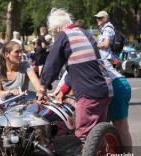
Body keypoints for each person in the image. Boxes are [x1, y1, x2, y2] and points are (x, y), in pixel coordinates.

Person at [38, 8, 109, 142]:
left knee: (83, 137)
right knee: (98, 138)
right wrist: (64, 89)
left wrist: (43, 87)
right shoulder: (84, 33)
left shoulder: (64, 35)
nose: (54, 34)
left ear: (57, 28)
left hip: (88, 94)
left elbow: (51, 64)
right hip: (104, 90)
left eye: (54, 31)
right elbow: (80, 66)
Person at [95, 10, 133, 156]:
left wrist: (93, 45)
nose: (97, 21)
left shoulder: (108, 29)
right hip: (110, 81)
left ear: (105, 18)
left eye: (99, 18)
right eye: (96, 19)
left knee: (121, 126)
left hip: (116, 82)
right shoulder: (104, 29)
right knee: (107, 128)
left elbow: (106, 43)